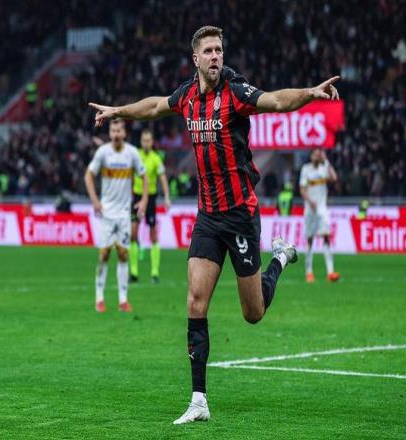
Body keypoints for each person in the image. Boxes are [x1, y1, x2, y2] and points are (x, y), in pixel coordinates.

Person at [88, 25, 340, 424]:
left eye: (219, 50)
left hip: (240, 215)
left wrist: (310, 93)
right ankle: (199, 400)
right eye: (208, 51)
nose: (215, 56)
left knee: (253, 313)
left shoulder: (236, 93)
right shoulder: (188, 95)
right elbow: (154, 106)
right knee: (195, 301)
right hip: (208, 217)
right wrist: (118, 110)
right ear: (195, 58)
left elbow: (275, 100)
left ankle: (279, 259)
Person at [84, 119, 148, 313]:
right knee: (104, 255)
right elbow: (88, 175)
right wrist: (95, 200)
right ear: (110, 133)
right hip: (107, 213)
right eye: (113, 131)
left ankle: (123, 300)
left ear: (124, 133)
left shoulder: (132, 153)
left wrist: (144, 201)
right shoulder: (103, 152)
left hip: (123, 214)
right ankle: (99, 298)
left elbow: (145, 177)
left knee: (123, 254)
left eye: (119, 130)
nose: (116, 134)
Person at [130, 129, 171, 284]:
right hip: (136, 196)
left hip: (151, 198)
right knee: (133, 233)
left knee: (153, 234)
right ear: (141, 141)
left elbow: (163, 178)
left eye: (148, 140)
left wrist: (166, 196)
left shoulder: (156, 159)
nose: (146, 143)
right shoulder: (135, 155)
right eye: (144, 140)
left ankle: (154, 272)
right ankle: (133, 272)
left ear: (152, 142)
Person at [299, 148, 340, 283]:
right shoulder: (306, 169)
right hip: (310, 209)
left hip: (322, 209)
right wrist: (310, 201)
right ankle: (309, 272)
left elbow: (334, 178)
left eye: (319, 155)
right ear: (311, 157)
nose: (317, 157)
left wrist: (326, 161)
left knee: (326, 237)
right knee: (310, 239)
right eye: (315, 155)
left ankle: (330, 272)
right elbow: (302, 189)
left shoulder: (324, 169)